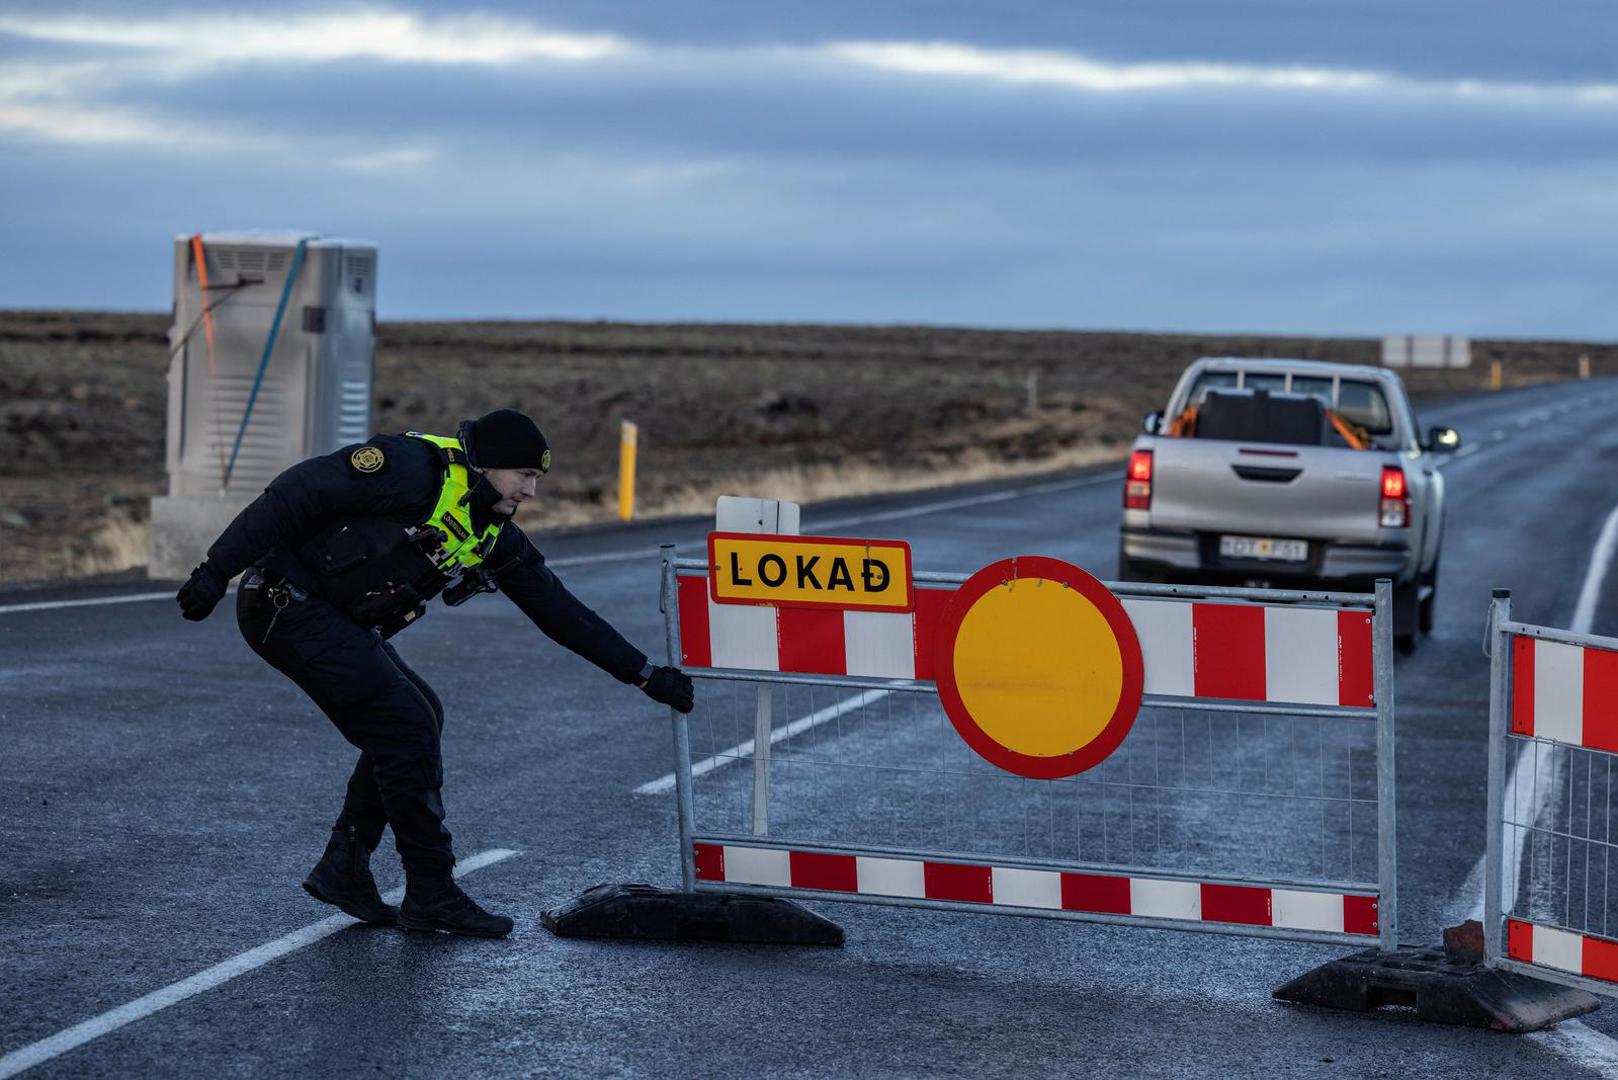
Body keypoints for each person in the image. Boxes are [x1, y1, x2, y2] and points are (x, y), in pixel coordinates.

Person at [175, 409, 694, 938]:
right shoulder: (411, 467)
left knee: (419, 716)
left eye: (536, 480)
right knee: (405, 724)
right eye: (525, 477)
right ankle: (431, 891)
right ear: (490, 466)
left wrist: (645, 674)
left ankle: (346, 867)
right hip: (286, 604)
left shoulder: (492, 531)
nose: (531, 493)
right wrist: (217, 569)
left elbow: (558, 610)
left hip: (328, 618)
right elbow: (294, 492)